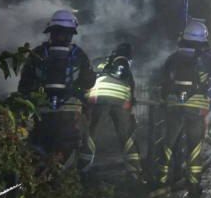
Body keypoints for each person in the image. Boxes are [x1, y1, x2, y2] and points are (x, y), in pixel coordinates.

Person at [157, 19, 211, 197]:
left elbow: (163, 82)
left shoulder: (173, 57)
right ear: (203, 38)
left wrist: (167, 99)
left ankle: (161, 180)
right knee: (195, 144)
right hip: (196, 108)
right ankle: (194, 185)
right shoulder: (205, 57)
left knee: (169, 142)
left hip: (174, 104)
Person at [17, 9, 96, 169]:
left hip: (41, 115)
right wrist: (76, 91)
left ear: (50, 31)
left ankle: (38, 187)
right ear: (72, 33)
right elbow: (88, 81)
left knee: (38, 152)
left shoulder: (37, 54)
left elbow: (24, 85)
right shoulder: (79, 55)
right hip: (70, 116)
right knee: (79, 150)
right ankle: (74, 183)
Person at [87, 42, 144, 182]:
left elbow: (92, 73)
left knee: (92, 134)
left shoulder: (103, 62)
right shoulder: (125, 64)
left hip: (99, 98)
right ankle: (135, 171)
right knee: (127, 135)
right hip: (120, 101)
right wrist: (131, 104)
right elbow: (131, 86)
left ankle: (83, 169)